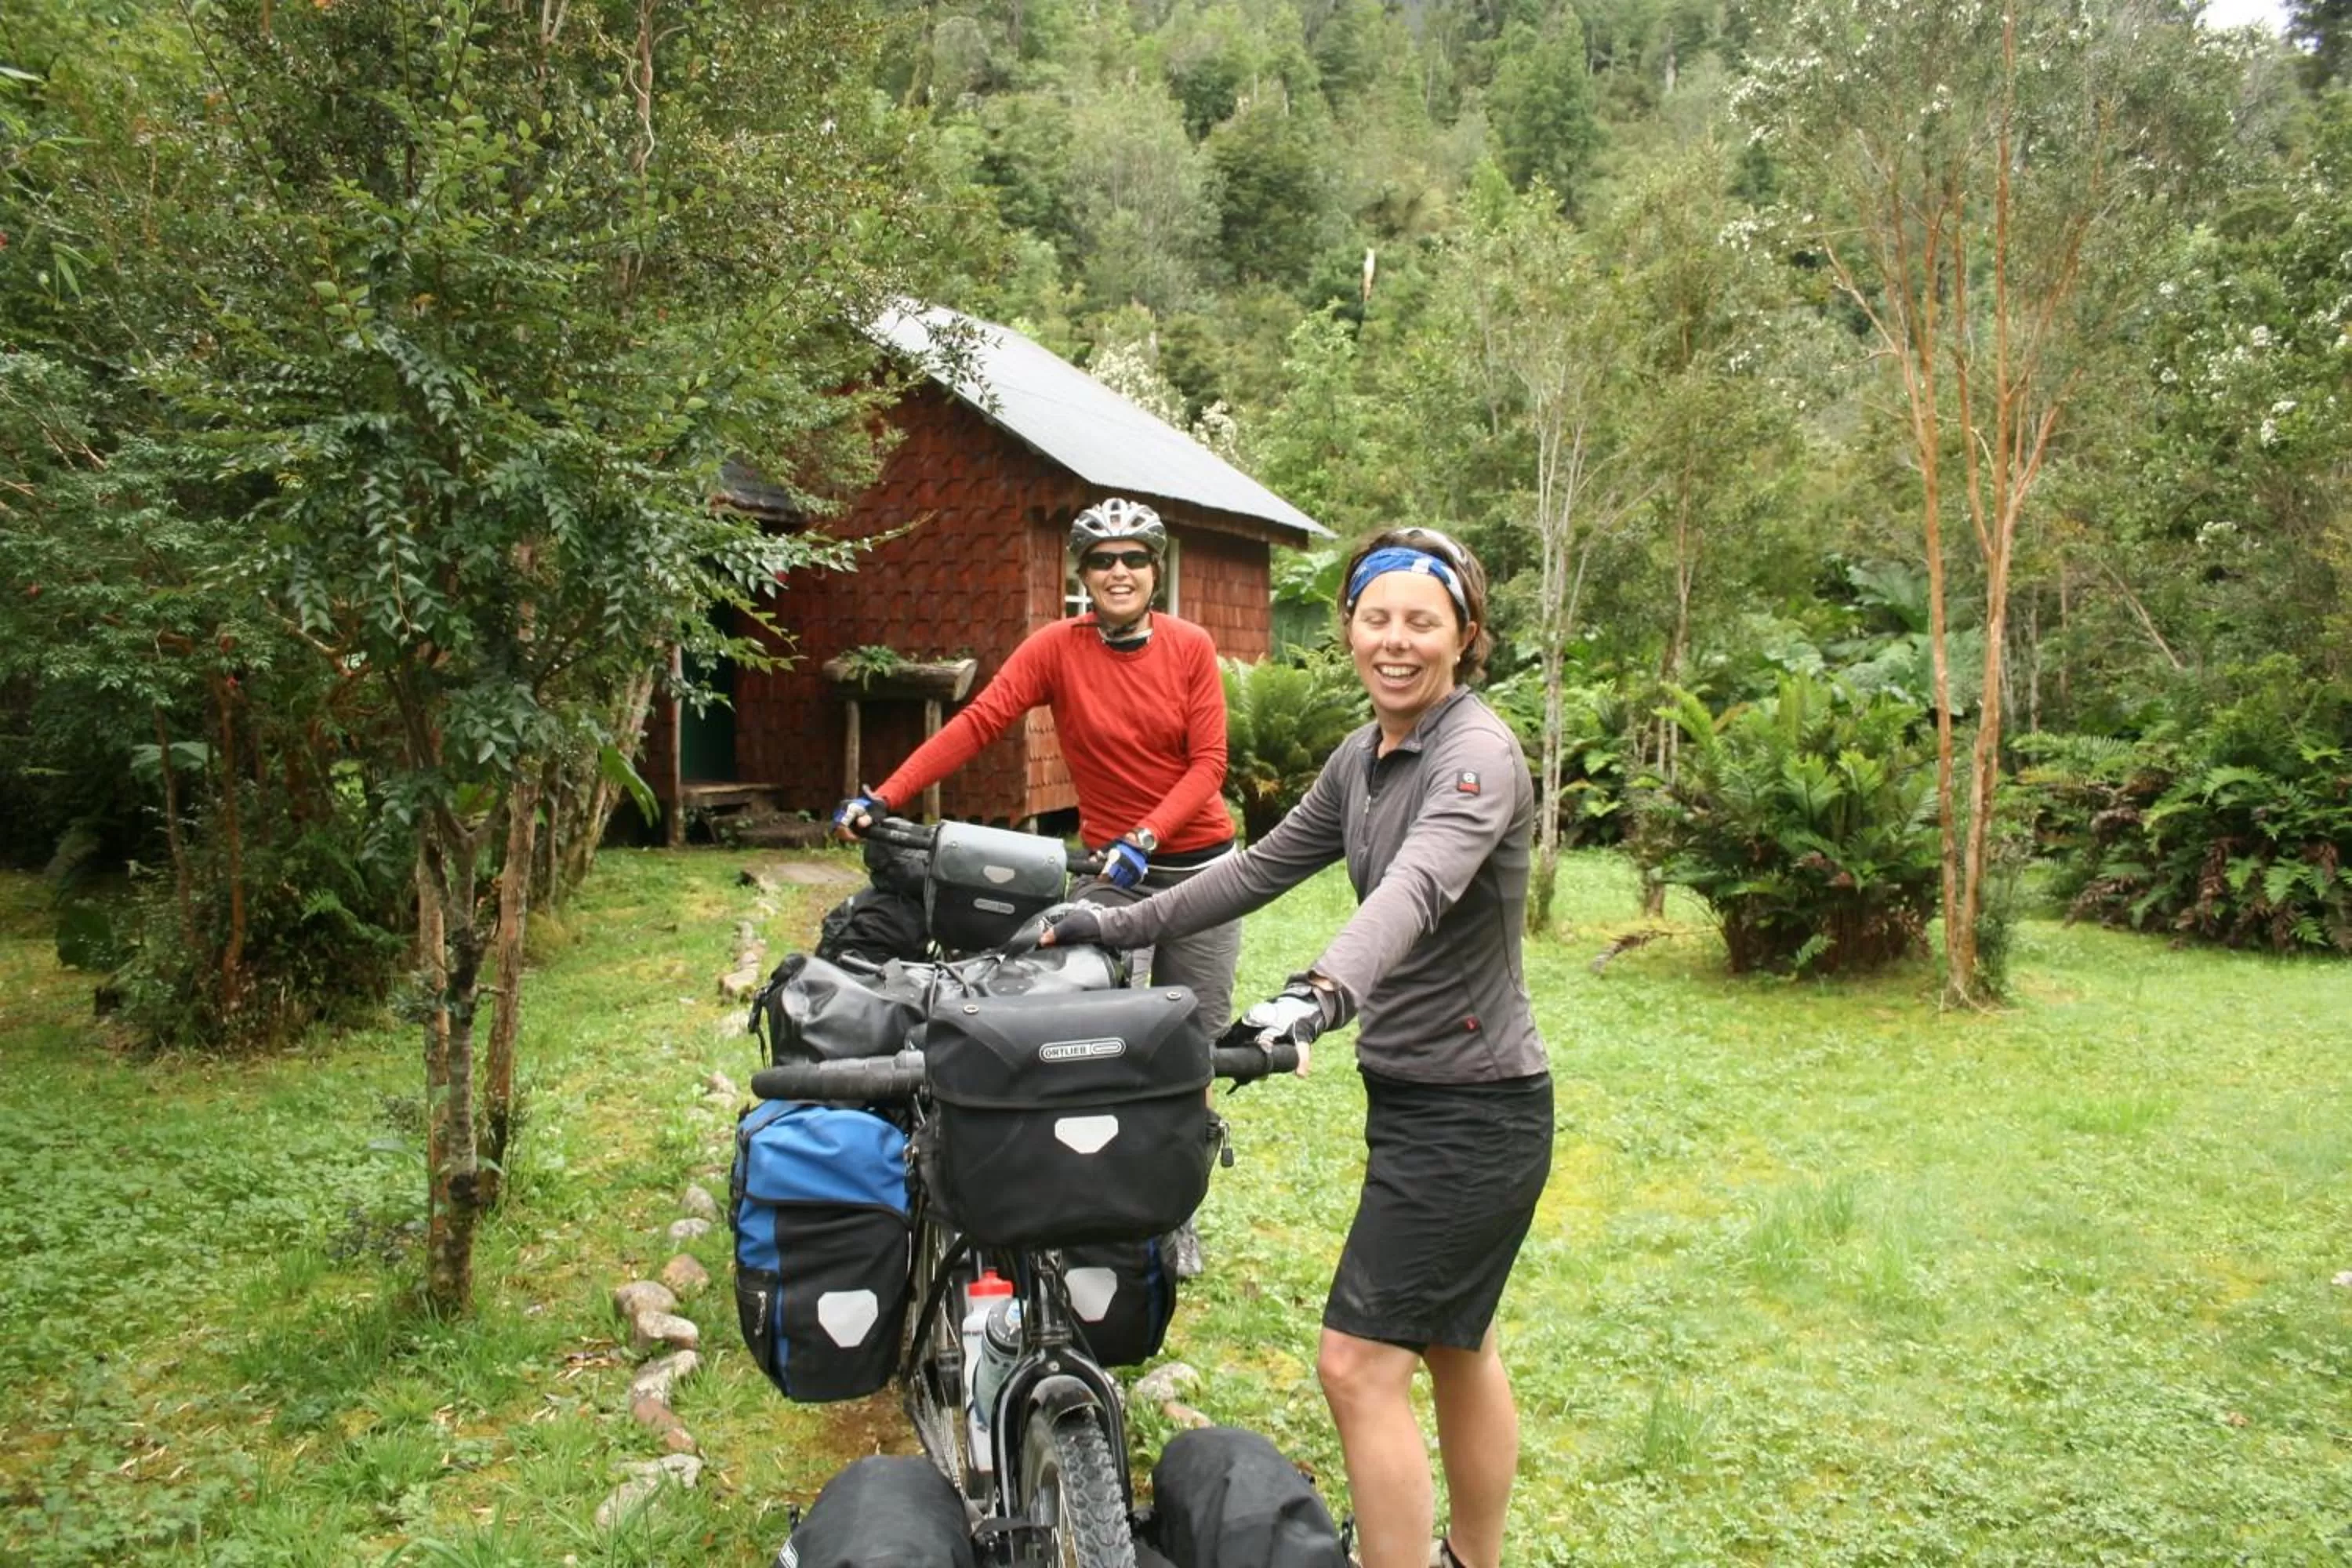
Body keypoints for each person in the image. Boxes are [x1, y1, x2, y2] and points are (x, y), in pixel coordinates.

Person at [1039, 526, 1551, 1568]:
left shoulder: (1475, 756)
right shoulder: (1362, 760)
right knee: (1458, 1342)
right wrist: (1118, 921)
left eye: (1422, 622)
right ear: (1350, 629)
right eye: (1377, 619)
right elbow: (1257, 868)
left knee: (1360, 1366)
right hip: (1426, 1097)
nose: (1395, 642)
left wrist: (1319, 993)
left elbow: (1413, 891)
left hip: (1478, 1108)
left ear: (1466, 638)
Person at [832, 496, 1242, 1038]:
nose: (1119, 572)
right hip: (1110, 877)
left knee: (1194, 1040)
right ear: (1084, 574)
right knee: (1090, 1019)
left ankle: (1194, 1125)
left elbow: (1209, 765)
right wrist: (883, 796)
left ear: (1154, 570)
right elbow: (979, 722)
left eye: (1134, 558)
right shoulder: (1056, 647)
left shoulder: (1189, 645)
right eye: (1102, 560)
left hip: (1201, 874)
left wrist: (1145, 837)